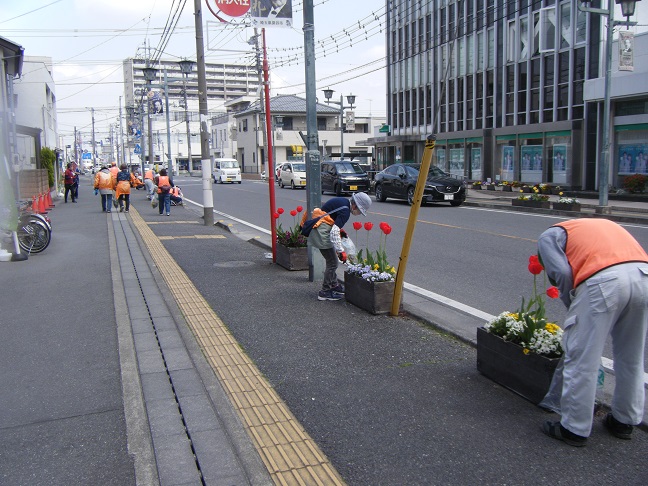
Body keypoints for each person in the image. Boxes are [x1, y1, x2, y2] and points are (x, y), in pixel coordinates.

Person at [537, 219, 648, 447]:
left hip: (604, 281)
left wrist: (573, 309)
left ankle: (574, 429)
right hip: (643, 277)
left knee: (582, 358)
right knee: (631, 357)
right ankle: (624, 421)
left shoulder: (547, 238)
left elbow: (563, 275)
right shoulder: (595, 225)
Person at [300, 192, 372, 301]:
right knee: (332, 262)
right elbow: (334, 232)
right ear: (355, 205)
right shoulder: (346, 212)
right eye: (360, 211)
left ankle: (334, 285)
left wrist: (340, 232)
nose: (358, 214)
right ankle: (325, 291)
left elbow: (331, 219)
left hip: (319, 227)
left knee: (331, 260)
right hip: (322, 231)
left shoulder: (342, 201)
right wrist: (341, 251)